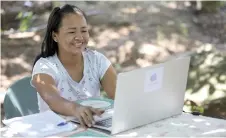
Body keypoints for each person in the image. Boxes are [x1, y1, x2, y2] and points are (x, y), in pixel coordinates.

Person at [31, 4, 117, 128]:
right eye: (71, 32)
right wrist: (76, 109)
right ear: (55, 35)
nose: (79, 37)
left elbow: (118, 95)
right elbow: (53, 99)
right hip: (57, 131)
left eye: (84, 30)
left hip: (93, 129)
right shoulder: (44, 66)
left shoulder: (97, 60)